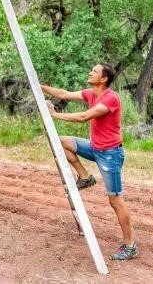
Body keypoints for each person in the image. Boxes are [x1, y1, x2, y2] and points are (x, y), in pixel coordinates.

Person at [41, 63, 138, 261]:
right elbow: (64, 94)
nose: (90, 72)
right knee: (60, 142)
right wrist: (39, 86)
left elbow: (84, 116)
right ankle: (85, 177)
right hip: (95, 147)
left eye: (94, 71)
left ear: (103, 79)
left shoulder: (111, 98)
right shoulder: (90, 93)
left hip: (110, 154)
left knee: (115, 201)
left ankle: (130, 245)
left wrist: (55, 115)